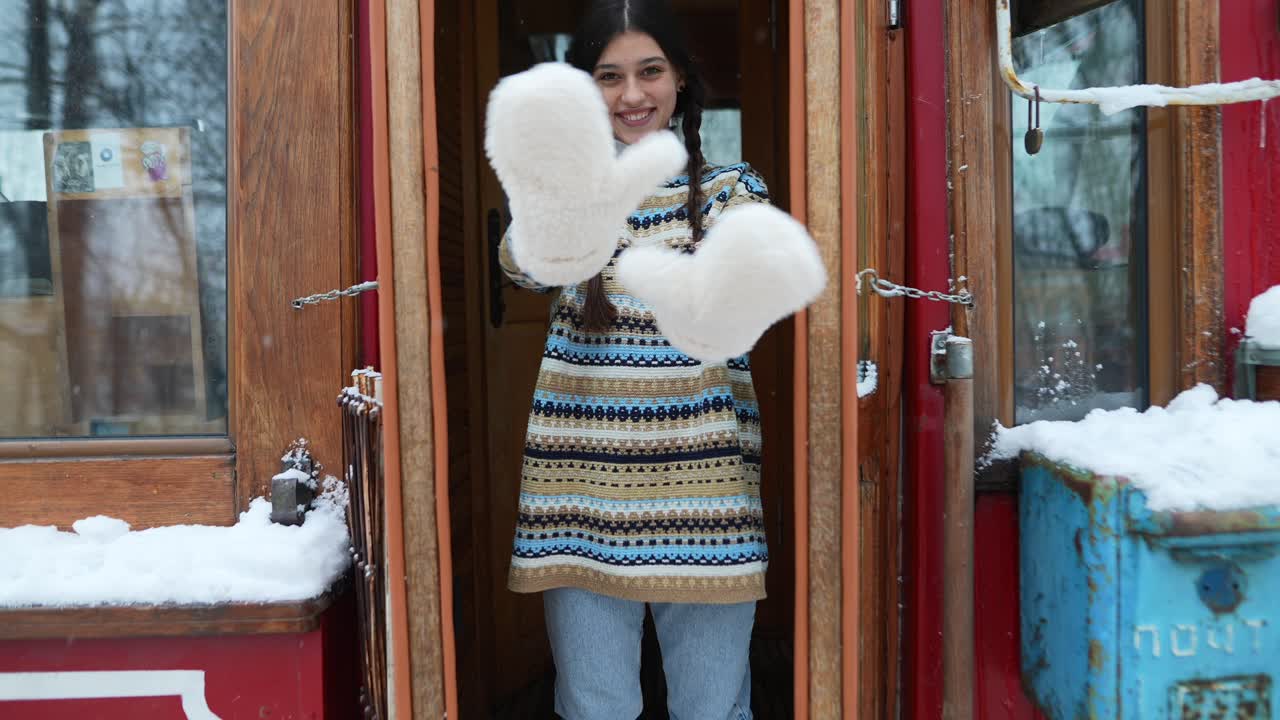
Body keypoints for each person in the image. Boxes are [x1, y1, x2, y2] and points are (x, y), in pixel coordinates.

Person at [484, 2, 824, 718]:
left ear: (680, 79)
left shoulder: (731, 190)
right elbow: (520, 262)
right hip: (578, 498)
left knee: (713, 710)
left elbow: (755, 284)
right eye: (609, 77)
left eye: (650, 71)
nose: (632, 94)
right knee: (593, 708)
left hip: (705, 499)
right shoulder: (567, 198)